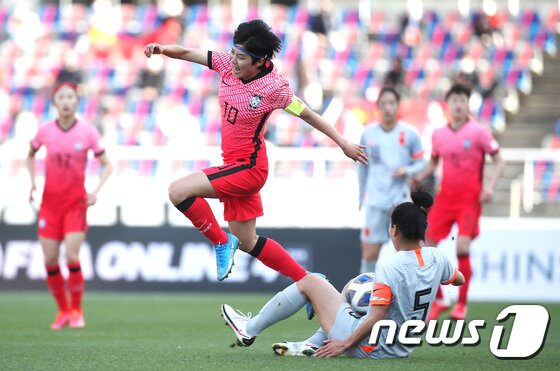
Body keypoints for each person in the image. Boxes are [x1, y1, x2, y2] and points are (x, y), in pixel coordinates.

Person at [143, 19, 367, 282]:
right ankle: (308, 280)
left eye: (241, 57)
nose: (234, 61)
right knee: (248, 242)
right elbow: (185, 53)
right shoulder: (226, 64)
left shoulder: (274, 88)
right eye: (233, 53)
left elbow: (307, 114)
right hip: (233, 165)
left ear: (260, 61)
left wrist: (343, 143)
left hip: (249, 168)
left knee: (178, 191)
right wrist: (161, 49)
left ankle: (221, 242)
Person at [221, 191, 465, 359]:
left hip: (371, 346)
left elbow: (376, 316)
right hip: (401, 347)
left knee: (311, 281)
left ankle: (249, 329)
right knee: (357, 287)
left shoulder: (390, 266)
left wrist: (345, 344)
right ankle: (313, 343)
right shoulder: (437, 258)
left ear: (395, 230)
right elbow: (458, 280)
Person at [414, 83, 504, 321]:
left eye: (462, 100)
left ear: (467, 104)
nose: (458, 104)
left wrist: (490, 187)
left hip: (469, 199)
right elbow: (434, 164)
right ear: (448, 104)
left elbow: (499, 160)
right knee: (424, 246)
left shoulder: (479, 132)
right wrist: (418, 176)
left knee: (461, 247)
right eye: (453, 100)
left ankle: (461, 304)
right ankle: (441, 299)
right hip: (445, 198)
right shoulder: (439, 135)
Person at [26, 82, 113, 330]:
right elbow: (30, 155)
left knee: (72, 256)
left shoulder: (87, 132)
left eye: (70, 97)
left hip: (75, 203)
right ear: (55, 103)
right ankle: (63, 311)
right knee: (50, 259)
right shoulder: (45, 131)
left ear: (76, 101)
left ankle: (76, 310)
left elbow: (108, 164)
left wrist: (95, 191)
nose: (66, 101)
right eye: (61, 97)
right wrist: (32, 184)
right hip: (49, 204)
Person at [358, 86, 426, 274]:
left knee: (407, 253)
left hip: (400, 203)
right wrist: (360, 196)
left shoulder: (410, 134)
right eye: (383, 103)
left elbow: (422, 163)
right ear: (377, 107)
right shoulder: (368, 134)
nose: (388, 107)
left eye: (391, 103)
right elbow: (362, 167)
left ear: (398, 106)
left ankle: (412, 293)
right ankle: (366, 297)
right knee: (369, 255)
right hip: (375, 201)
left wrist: (407, 170)